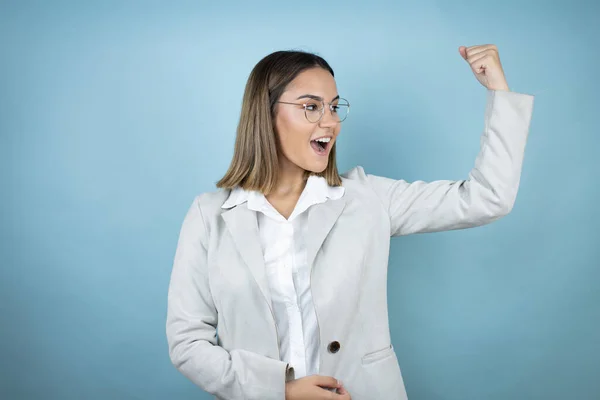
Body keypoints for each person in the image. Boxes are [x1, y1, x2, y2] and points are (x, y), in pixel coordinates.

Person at [166, 46, 535, 400]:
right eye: (311, 106)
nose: (330, 122)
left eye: (333, 106)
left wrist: (500, 94)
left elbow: (487, 198)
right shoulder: (209, 216)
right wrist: (280, 391)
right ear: (265, 114)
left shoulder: (367, 198)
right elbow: (187, 343)